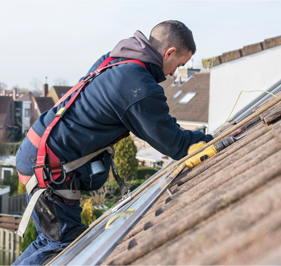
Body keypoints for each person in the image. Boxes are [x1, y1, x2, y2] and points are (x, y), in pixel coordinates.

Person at [13, 20, 213, 265]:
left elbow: (154, 121)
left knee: (49, 241)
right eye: (178, 64)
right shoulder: (137, 83)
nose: (173, 73)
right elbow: (175, 145)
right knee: (65, 244)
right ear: (169, 52)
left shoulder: (116, 59)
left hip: (37, 150)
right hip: (47, 165)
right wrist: (210, 140)